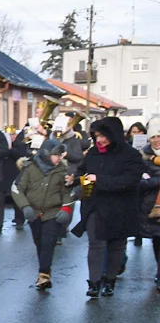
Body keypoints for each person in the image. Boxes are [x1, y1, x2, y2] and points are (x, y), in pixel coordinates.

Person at [69, 116, 143, 298]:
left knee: (117, 246)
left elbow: (130, 180)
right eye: (96, 136)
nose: (99, 140)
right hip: (96, 206)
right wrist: (74, 180)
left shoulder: (130, 155)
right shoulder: (94, 152)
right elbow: (82, 171)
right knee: (96, 245)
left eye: (103, 135)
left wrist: (99, 180)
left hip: (121, 208)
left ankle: (110, 281)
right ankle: (94, 282)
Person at [11, 141, 74, 289]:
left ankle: (44, 274)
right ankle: (44, 270)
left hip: (52, 212)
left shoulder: (62, 170)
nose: (59, 158)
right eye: (56, 155)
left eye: (60, 155)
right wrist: (25, 207)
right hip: (33, 212)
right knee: (39, 241)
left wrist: (66, 209)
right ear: (46, 153)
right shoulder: (29, 168)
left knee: (48, 242)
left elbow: (68, 192)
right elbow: (17, 188)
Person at [137, 123, 160, 291]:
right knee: (157, 240)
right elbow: (140, 181)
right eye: (153, 136)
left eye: (159, 136)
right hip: (152, 206)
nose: (157, 140)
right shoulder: (143, 156)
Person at [4, 126, 31, 230]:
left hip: (16, 173)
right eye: (9, 135)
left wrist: (10, 149)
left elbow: (20, 155)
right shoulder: (2, 144)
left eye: (12, 135)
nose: (10, 137)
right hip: (5, 173)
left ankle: (20, 219)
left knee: (17, 197)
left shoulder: (21, 144)